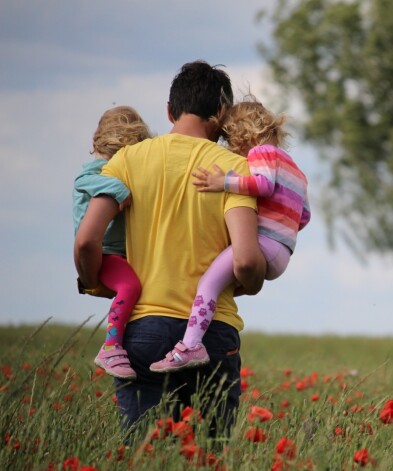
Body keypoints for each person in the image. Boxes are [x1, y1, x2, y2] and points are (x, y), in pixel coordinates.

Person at [74, 60, 266, 439]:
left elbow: (85, 240)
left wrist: (93, 280)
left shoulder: (127, 160)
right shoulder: (234, 170)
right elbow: (245, 260)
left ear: (169, 110)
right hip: (212, 334)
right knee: (209, 456)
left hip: (143, 331)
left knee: (145, 454)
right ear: (222, 114)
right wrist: (253, 281)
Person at [150, 97, 311, 373]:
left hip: (263, 244)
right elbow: (304, 216)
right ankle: (199, 330)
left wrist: (222, 182)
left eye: (230, 139)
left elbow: (262, 185)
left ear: (243, 133)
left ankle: (190, 346)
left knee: (208, 284)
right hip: (283, 252)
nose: (230, 147)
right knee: (221, 284)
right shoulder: (296, 170)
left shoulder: (262, 153)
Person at [72, 106, 151, 380]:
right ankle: (111, 346)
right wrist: (119, 190)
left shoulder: (115, 169)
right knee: (130, 286)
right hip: (105, 253)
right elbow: (83, 181)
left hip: (118, 253)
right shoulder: (98, 171)